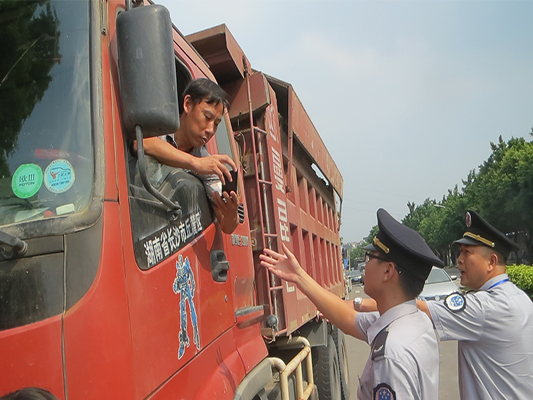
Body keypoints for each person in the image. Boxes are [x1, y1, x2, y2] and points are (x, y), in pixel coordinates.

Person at [260, 208, 444, 400]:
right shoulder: (416, 321)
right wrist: (299, 277)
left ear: (388, 272)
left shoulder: (393, 352)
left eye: (370, 257)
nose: (365, 265)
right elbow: (349, 319)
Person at [416, 210, 533, 400]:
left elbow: (415, 308)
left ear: (491, 262)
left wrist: (360, 304)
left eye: (467, 253)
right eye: (460, 252)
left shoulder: (485, 307)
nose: (459, 260)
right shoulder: (520, 297)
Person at [132, 78, 240, 234]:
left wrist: (231, 215)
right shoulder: (160, 123)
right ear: (188, 104)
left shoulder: (208, 166)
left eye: (216, 124)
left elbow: (226, 226)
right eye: (207, 117)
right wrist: (194, 163)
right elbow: (141, 143)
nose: (210, 129)